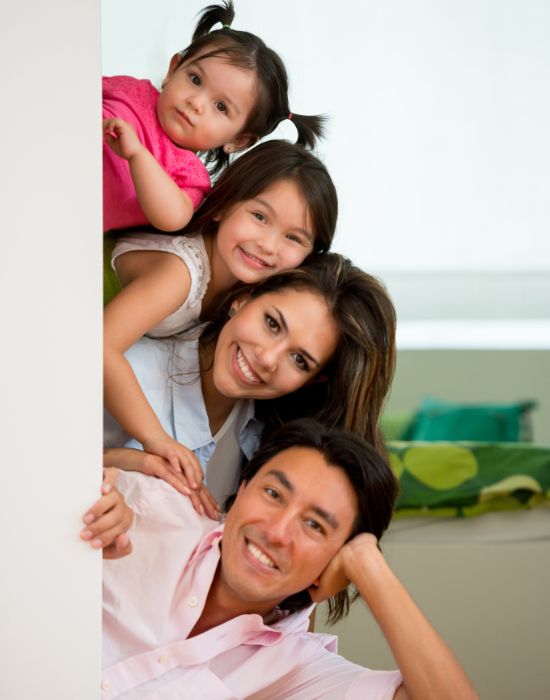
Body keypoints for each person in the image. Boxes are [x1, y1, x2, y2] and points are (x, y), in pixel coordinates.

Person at [85, 419, 477, 699]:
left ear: (335, 559)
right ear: (242, 488)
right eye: (273, 494)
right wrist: (88, 484)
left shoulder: (300, 674)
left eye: (314, 525)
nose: (277, 531)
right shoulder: (146, 507)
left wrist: (368, 566)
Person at [104, 140, 337, 494]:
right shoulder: (179, 275)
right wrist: (155, 438)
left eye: (293, 237)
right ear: (224, 205)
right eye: (260, 217)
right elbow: (100, 347)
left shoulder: (237, 286)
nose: (268, 245)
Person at [104, 253, 396, 517]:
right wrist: (120, 462)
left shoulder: (267, 438)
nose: (268, 358)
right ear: (243, 299)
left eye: (299, 359)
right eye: (272, 323)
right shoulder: (127, 372)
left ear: (314, 380)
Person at [103, 0, 324, 233]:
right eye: (195, 79)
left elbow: (171, 218)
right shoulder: (130, 89)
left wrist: (137, 155)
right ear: (173, 70)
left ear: (239, 140)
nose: (196, 102)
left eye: (221, 107)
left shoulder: (189, 174)